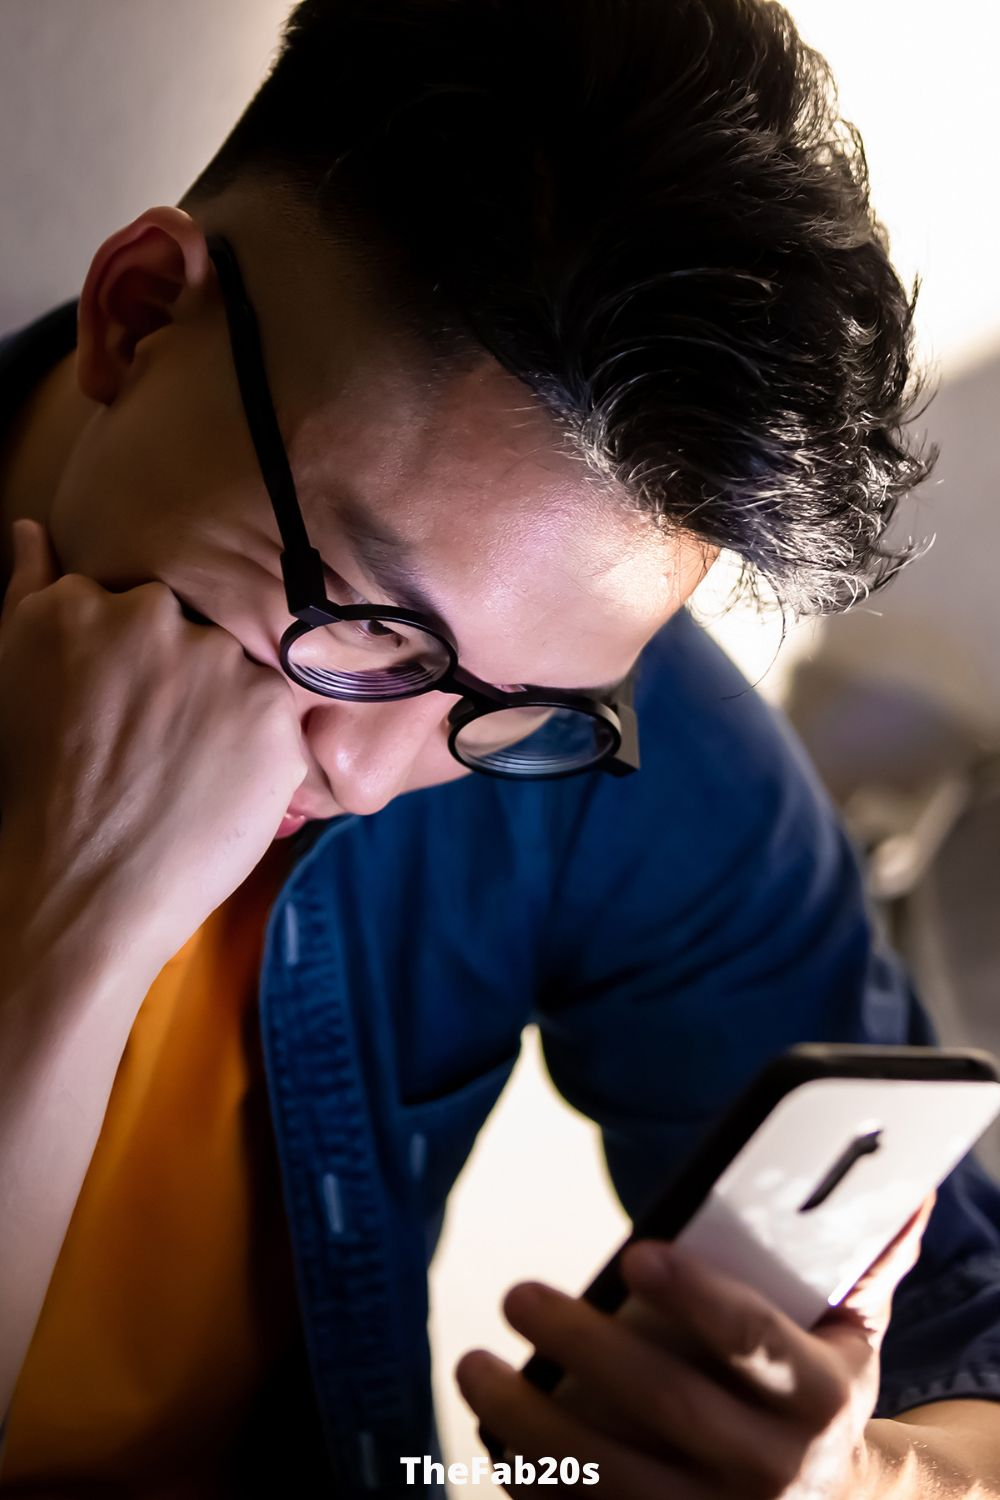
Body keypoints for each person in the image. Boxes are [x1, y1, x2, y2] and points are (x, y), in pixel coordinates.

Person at [1, 0, 998, 1495]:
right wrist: (68, 938)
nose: (374, 772)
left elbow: (970, 1368)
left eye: (516, 706)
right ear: (137, 315)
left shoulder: (607, 743)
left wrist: (855, 1481)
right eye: (362, 621)